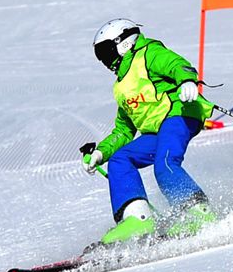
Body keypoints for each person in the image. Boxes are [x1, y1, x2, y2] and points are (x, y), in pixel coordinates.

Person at [83, 18, 217, 244]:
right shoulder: (121, 85)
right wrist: (100, 153)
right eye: (100, 55)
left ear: (123, 42)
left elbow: (176, 64)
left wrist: (187, 80)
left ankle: (198, 211)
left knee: (164, 163)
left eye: (106, 51)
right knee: (120, 160)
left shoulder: (149, 53)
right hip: (156, 130)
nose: (105, 59)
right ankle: (138, 218)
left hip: (179, 113)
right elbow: (124, 130)